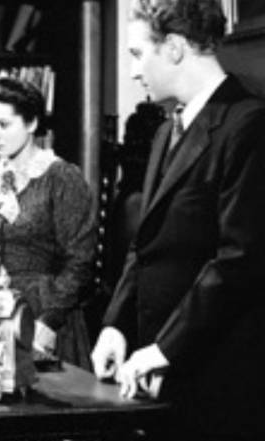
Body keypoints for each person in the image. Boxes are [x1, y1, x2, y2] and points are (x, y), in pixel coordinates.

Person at [90, 1, 265, 439]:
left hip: (217, 373)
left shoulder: (249, 124)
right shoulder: (167, 130)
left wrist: (166, 347)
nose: (132, 72)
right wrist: (115, 324)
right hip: (158, 370)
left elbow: (238, 259)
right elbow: (144, 245)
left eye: (136, 54)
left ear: (173, 47)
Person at [0, 76, 96, 370]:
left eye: (4, 124)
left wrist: (49, 321)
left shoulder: (61, 177)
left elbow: (80, 261)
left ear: (32, 123)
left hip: (44, 318)